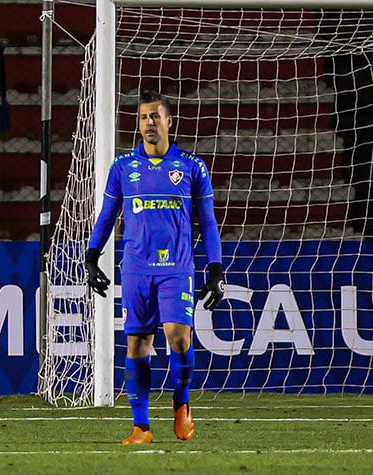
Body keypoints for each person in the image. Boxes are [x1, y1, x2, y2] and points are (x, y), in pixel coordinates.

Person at [84, 90, 225, 445]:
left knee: (179, 337)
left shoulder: (192, 166)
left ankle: (181, 401)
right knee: (137, 344)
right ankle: (141, 426)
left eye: (155, 116)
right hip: (135, 268)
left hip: (176, 267)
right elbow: (106, 216)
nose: (148, 123)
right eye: (144, 117)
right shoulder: (123, 167)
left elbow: (207, 222)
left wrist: (216, 268)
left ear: (169, 121)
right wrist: (91, 256)